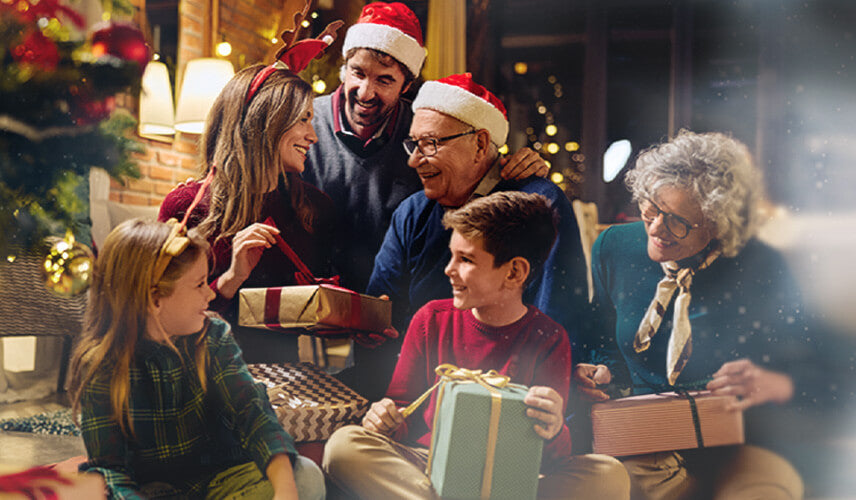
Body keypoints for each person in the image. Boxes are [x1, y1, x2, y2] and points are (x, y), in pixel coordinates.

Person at [322, 192, 627, 499]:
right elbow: (403, 412)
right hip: (429, 467)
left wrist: (554, 428)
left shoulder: (548, 338)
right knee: (343, 446)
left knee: (608, 475)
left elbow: (551, 458)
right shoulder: (431, 319)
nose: (449, 269)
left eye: (465, 259)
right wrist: (385, 418)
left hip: (511, 477)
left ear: (513, 272)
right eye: (451, 255)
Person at [573, 132, 814, 499]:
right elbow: (602, 342)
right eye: (650, 209)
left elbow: (808, 367)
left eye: (676, 221)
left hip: (743, 438)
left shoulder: (761, 265)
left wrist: (773, 382)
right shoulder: (615, 248)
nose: (654, 228)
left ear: (717, 224)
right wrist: (599, 372)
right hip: (648, 436)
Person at [360, 73, 590, 397]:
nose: (413, 160)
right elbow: (382, 314)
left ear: (480, 144)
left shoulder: (539, 204)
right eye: (413, 144)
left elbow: (558, 319)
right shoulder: (411, 213)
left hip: (510, 395)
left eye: (430, 144)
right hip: (421, 391)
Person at [302, 2, 549, 293]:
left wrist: (526, 166)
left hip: (390, 301)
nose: (366, 92)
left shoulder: (423, 130)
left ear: (406, 85)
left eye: (384, 80)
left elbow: (478, 169)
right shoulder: (304, 123)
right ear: (345, 68)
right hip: (311, 300)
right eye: (358, 73)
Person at [69, 220, 324, 499]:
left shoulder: (214, 337)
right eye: (199, 284)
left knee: (306, 477)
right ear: (154, 300)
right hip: (151, 491)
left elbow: (252, 414)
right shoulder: (100, 365)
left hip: (226, 479)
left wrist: (286, 490)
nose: (211, 293)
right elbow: (109, 469)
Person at [157, 62, 342, 368]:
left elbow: (328, 335)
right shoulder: (185, 206)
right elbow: (165, 322)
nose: (313, 136)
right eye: (303, 120)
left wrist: (355, 333)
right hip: (214, 378)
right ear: (265, 122)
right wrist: (232, 278)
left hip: (300, 383)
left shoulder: (317, 208)